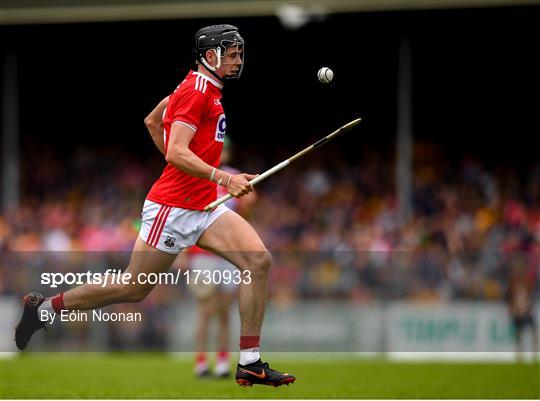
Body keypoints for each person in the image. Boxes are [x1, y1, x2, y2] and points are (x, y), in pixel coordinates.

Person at [14, 24, 295, 388]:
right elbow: (177, 151)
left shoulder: (201, 89)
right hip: (173, 208)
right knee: (133, 288)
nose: (238, 58)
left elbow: (152, 121)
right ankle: (43, 309)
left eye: (240, 51)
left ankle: (249, 363)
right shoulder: (196, 92)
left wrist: (201, 178)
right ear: (210, 56)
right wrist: (224, 178)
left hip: (204, 206)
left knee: (258, 260)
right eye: (232, 52)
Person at [183, 138, 257, 379]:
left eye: (226, 149)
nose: (222, 152)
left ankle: (224, 362)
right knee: (206, 310)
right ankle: (201, 362)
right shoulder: (199, 174)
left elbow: (245, 215)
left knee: (224, 311)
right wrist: (184, 252)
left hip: (228, 255)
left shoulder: (236, 177)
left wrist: (249, 202)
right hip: (202, 254)